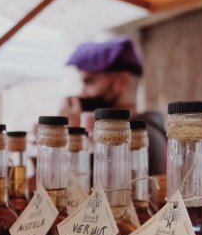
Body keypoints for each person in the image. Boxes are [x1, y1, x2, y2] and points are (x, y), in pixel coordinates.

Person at [63, 36, 167, 175]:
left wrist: (69, 134)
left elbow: (96, 188)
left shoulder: (139, 137)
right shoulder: (140, 131)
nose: (82, 92)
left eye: (90, 82)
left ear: (122, 82)